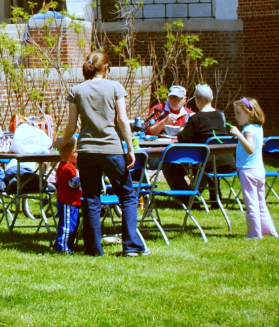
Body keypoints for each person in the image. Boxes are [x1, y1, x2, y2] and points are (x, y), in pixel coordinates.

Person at [58, 51, 149, 257]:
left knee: (91, 198)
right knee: (127, 195)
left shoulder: (76, 90)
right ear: (106, 68)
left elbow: (72, 127)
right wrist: (130, 149)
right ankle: (132, 246)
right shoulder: (115, 87)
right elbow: (123, 121)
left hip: (87, 151)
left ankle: (93, 249)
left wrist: (61, 142)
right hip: (111, 150)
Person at [163, 84, 232, 200]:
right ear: (212, 98)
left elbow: (183, 139)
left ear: (197, 100)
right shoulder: (221, 115)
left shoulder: (196, 118)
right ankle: (215, 196)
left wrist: (182, 129)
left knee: (169, 164)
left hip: (205, 163)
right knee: (210, 156)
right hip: (226, 161)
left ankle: (188, 199)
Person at [229, 97, 278, 239]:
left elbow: (250, 148)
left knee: (251, 203)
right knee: (260, 202)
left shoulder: (248, 130)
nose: (236, 116)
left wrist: (238, 134)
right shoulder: (258, 128)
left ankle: (254, 234)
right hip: (258, 169)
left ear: (250, 113)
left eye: (239, 113)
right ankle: (269, 230)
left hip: (248, 171)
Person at [52, 150, 82, 253]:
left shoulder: (69, 165)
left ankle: (67, 244)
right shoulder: (67, 168)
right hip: (67, 201)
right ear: (72, 152)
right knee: (66, 225)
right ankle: (62, 247)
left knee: (73, 224)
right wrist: (82, 177)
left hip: (73, 201)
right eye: (77, 152)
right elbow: (72, 183)